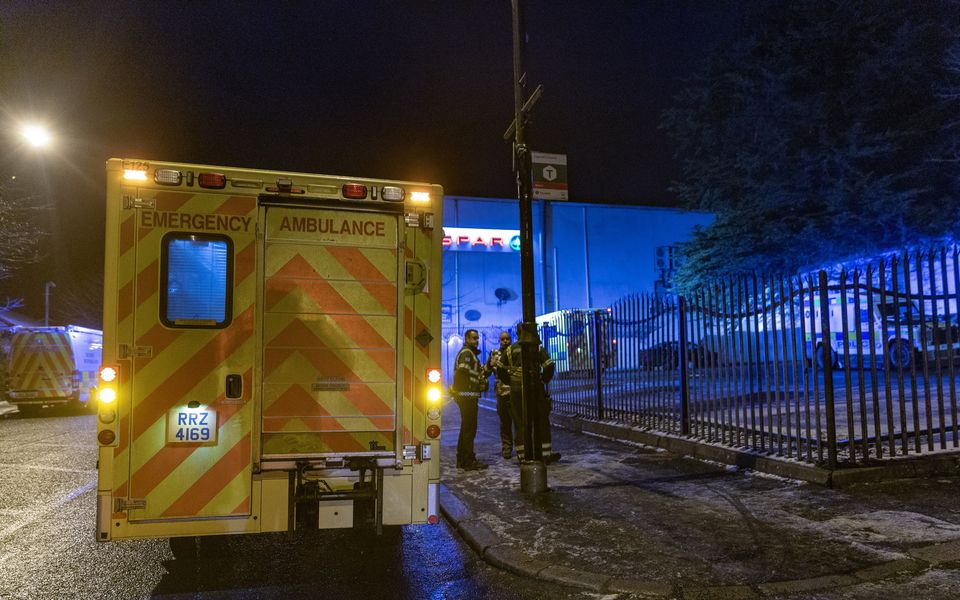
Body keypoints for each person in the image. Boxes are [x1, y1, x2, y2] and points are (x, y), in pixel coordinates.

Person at [498, 325, 560, 464]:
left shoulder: (509, 350)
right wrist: (543, 379)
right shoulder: (536, 348)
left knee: (519, 422)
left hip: (516, 390)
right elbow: (549, 365)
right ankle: (544, 454)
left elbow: (500, 370)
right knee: (541, 420)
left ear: (517, 334)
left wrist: (511, 381)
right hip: (535, 388)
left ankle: (523, 456)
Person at [452, 329, 488, 470]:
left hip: (467, 395)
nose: (476, 341)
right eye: (474, 338)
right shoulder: (467, 353)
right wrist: (460, 390)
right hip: (467, 396)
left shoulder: (470, 353)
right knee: (469, 429)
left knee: (466, 428)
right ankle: (468, 461)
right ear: (466, 339)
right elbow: (461, 372)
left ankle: (462, 460)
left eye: (477, 338)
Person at [486, 331, 516, 459]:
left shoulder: (515, 353)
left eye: (507, 339)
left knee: (519, 422)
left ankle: (522, 447)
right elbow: (487, 369)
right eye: (503, 339)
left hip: (515, 392)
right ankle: (507, 447)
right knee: (505, 422)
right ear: (499, 340)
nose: (505, 341)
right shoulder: (495, 354)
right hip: (501, 392)